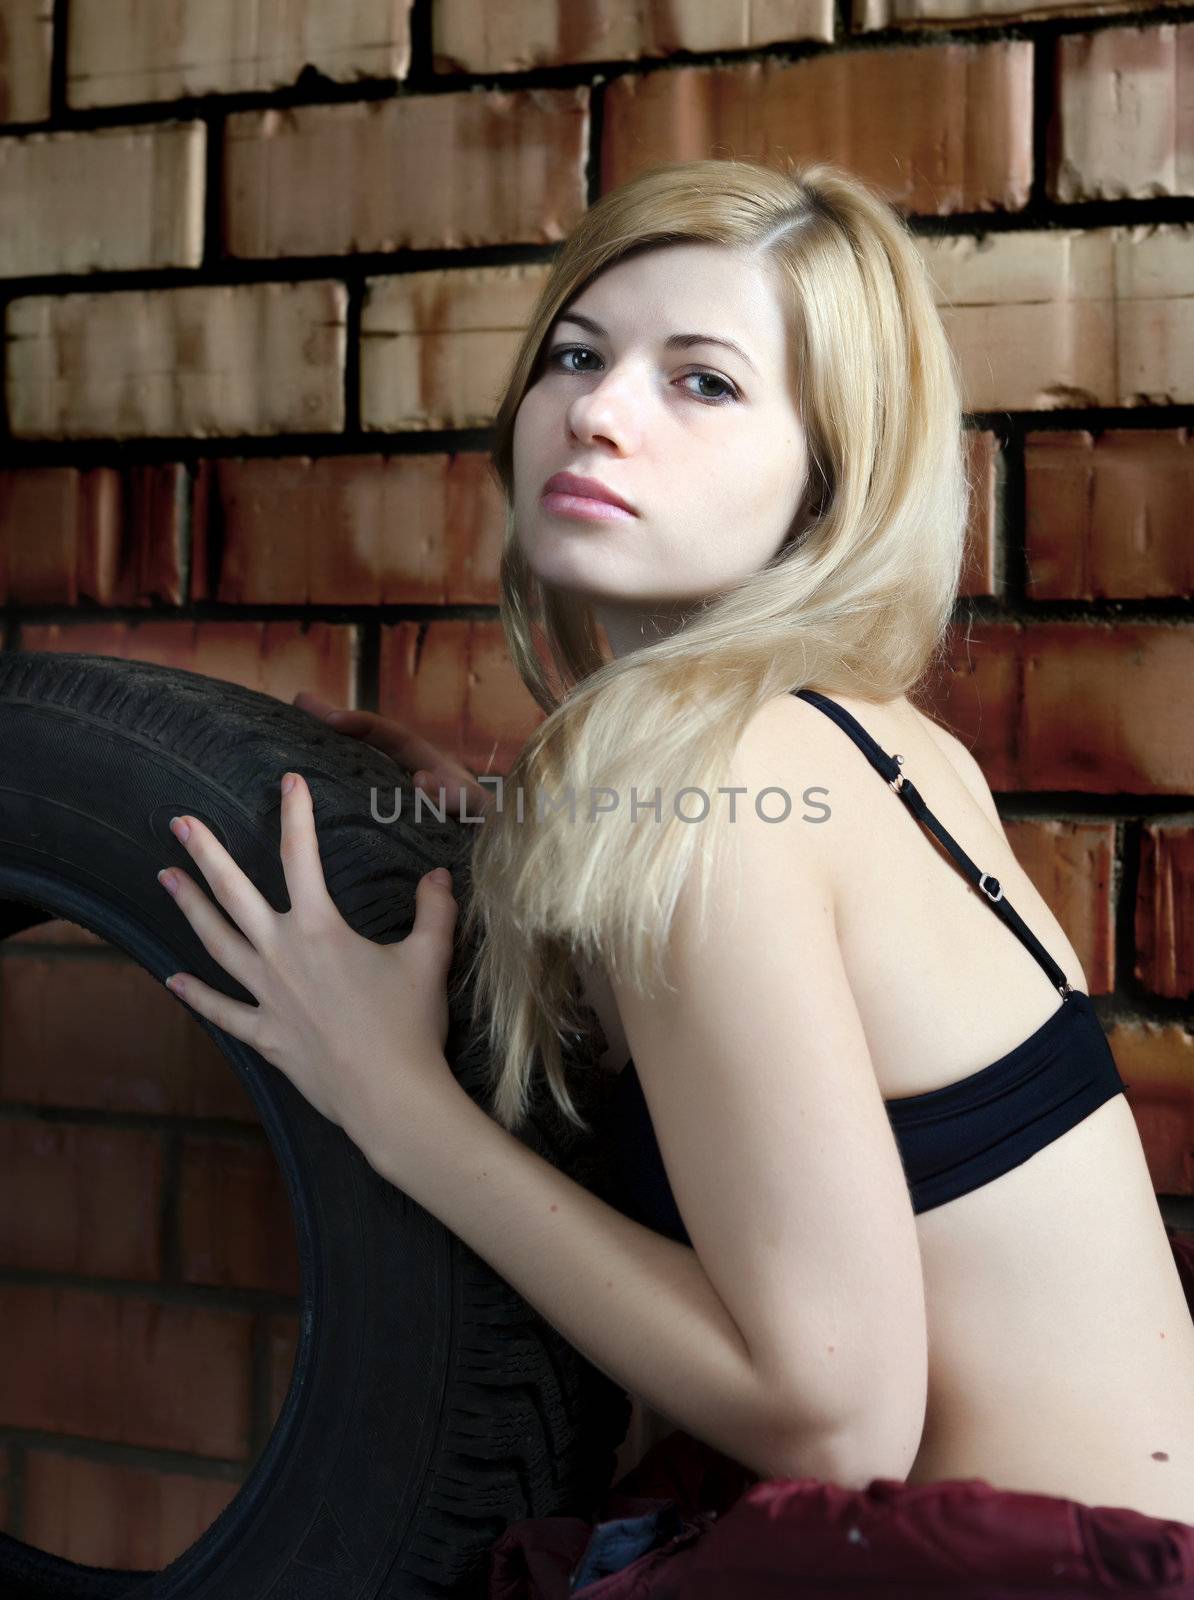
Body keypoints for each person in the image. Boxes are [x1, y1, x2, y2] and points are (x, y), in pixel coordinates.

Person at [157, 159, 1194, 1583]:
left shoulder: (705, 790)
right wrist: (482, 836)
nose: (596, 410)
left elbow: (834, 1423)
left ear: (825, 475)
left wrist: (394, 1106)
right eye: (576, 356)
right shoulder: (864, 739)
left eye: (700, 382)